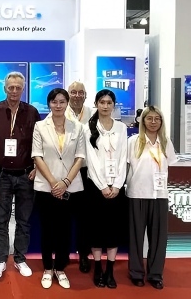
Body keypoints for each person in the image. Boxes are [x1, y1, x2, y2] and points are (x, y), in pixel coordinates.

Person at [0, 71, 39, 280]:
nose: (14, 91)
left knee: (24, 220)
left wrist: (36, 166)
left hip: (26, 175)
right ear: (5, 88)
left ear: (23, 89)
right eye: (11, 87)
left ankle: (20, 258)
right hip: (2, 174)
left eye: (18, 87)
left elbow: (39, 143)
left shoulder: (32, 112)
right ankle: (0, 259)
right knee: (1, 220)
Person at [32, 88, 86, 289]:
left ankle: (60, 268)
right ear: (49, 104)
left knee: (65, 229)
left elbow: (80, 157)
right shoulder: (40, 126)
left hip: (70, 187)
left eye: (62, 101)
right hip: (46, 186)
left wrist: (65, 183)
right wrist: (54, 183)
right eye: (54, 101)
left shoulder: (77, 127)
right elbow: (37, 155)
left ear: (67, 103)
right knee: (47, 229)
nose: (58, 105)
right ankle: (48, 268)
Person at [126, 106, 178, 290]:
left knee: (158, 238)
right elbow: (126, 167)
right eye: (149, 118)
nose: (153, 122)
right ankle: (136, 273)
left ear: (161, 121)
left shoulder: (165, 142)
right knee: (136, 238)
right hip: (137, 194)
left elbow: (170, 165)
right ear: (143, 121)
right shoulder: (133, 141)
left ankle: (155, 274)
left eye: (157, 119)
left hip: (159, 195)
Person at [85, 89, 129, 288]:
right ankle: (97, 268)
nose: (105, 106)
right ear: (96, 104)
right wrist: (103, 185)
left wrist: (117, 185)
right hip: (96, 187)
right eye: (101, 102)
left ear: (114, 105)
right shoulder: (88, 127)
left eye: (109, 102)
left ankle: (110, 270)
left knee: (113, 230)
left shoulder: (121, 127)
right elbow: (91, 160)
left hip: (116, 187)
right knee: (96, 229)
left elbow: (123, 157)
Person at [66, 81, 93, 273]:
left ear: (85, 95)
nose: (77, 95)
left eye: (80, 92)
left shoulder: (93, 114)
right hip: (66, 172)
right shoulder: (60, 112)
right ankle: (64, 253)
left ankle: (84, 254)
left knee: (85, 217)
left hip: (86, 172)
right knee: (64, 216)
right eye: (73, 92)